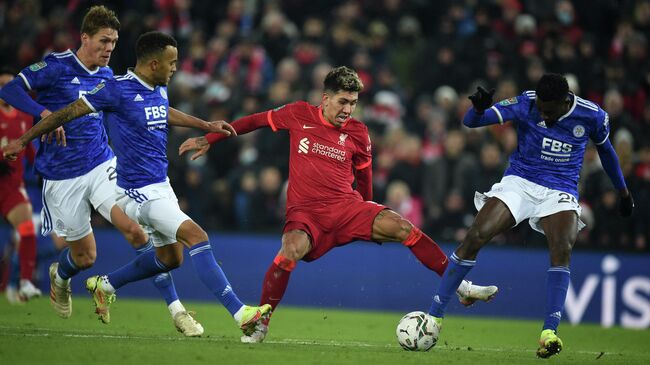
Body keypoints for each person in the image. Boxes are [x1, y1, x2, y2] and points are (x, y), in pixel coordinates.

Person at [178, 66, 499, 344]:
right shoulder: (298, 113)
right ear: (326, 98)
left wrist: (372, 218)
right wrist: (210, 137)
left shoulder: (359, 133)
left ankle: (461, 286)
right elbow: (254, 121)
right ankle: (261, 322)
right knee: (290, 249)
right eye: (343, 101)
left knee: (402, 227)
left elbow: (366, 183)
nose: (348, 109)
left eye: (354, 103)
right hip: (306, 214)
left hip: (347, 209)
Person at [2, 31, 271, 335]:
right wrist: (23, 140)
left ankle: (107, 284)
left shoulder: (159, 86)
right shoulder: (115, 90)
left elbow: (163, 111)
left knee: (171, 259)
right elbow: (67, 113)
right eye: (172, 63)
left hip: (161, 185)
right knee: (197, 236)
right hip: (135, 191)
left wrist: (205, 125)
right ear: (154, 63)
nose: (175, 68)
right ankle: (241, 313)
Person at [0, 6, 203, 336]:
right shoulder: (55, 67)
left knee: (138, 231)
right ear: (85, 37)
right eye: (103, 40)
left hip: (102, 165)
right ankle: (60, 275)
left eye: (114, 41)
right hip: (61, 175)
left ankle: (176, 310)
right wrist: (41, 112)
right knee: (85, 257)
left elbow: (156, 109)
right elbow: (8, 90)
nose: (109, 48)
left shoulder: (111, 79)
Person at [426, 74, 634, 358]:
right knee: (476, 235)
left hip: (560, 190)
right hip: (520, 182)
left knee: (562, 248)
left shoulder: (592, 115)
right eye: (541, 110)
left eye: (549, 111)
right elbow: (470, 123)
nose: (544, 116)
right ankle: (434, 317)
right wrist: (477, 109)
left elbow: (607, 153)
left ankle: (550, 332)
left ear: (565, 102)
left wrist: (623, 193)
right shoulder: (527, 102)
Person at [0, 68, 41, 302]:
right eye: (2, 84)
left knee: (26, 229)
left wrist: (42, 168)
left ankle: (25, 281)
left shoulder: (25, 117)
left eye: (10, 84)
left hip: (11, 188)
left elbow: (30, 151)